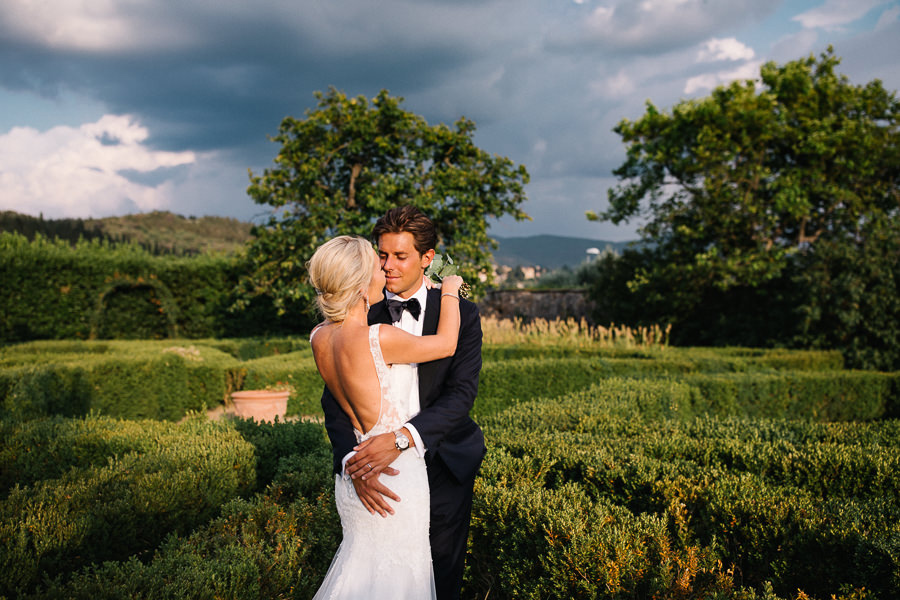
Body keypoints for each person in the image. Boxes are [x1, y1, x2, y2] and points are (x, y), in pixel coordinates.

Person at [321, 205, 486, 600]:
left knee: (440, 573)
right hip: (374, 470)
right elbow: (334, 400)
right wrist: (352, 463)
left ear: (427, 259)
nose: (388, 266)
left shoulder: (463, 314)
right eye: (381, 255)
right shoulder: (360, 311)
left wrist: (402, 438)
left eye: (400, 256)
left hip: (444, 460)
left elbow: (461, 394)